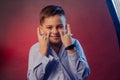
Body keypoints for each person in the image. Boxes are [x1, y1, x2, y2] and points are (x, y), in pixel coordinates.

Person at [27, 5, 90, 80]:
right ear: (41, 29)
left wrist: (70, 48)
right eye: (49, 27)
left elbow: (84, 75)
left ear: (65, 27)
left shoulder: (74, 43)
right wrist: (43, 51)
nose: (55, 31)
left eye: (60, 26)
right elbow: (33, 79)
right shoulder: (35, 49)